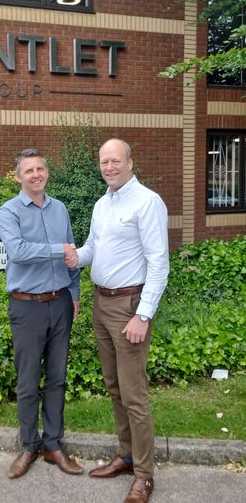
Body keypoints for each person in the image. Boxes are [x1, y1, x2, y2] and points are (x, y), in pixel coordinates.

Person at [66, 139, 169, 503]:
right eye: (103, 161)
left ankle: (144, 474)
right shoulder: (101, 203)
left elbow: (159, 263)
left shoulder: (148, 202)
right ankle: (126, 456)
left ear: (130, 162)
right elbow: (93, 248)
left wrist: (143, 315)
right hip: (101, 304)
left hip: (130, 306)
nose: (108, 167)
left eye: (115, 160)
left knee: (134, 394)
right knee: (114, 386)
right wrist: (74, 256)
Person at [0, 148, 83, 479]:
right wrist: (56, 250)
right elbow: (17, 252)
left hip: (60, 303)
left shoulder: (59, 209)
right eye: (29, 170)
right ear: (18, 176)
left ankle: (53, 445)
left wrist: (74, 293)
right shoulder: (9, 211)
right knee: (29, 379)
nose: (36, 174)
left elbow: (72, 254)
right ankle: (29, 445)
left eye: (41, 168)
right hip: (26, 306)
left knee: (58, 378)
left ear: (47, 172)